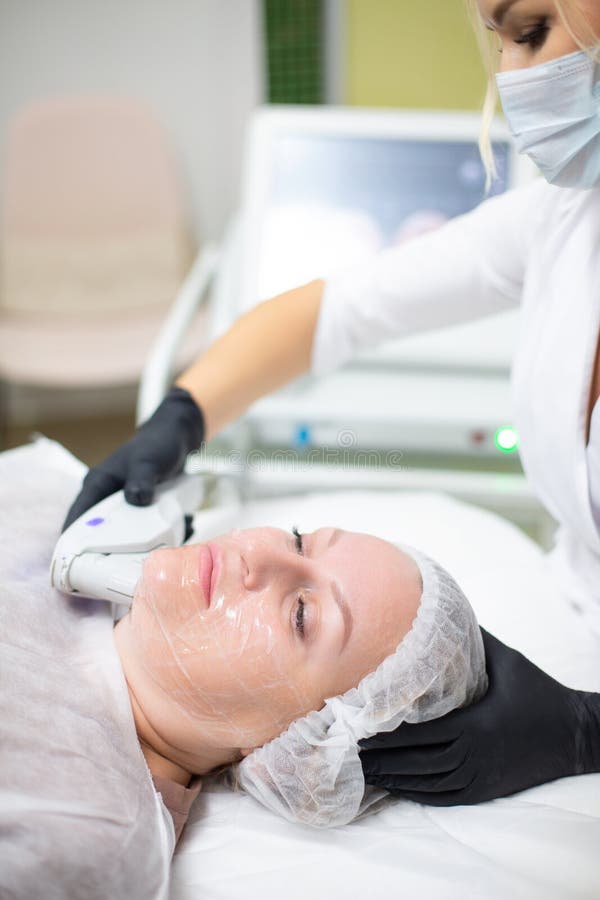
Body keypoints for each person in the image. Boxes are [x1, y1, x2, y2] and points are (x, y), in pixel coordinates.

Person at [64, 0, 600, 806]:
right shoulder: (569, 213)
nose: (514, 79)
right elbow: (338, 309)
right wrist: (183, 413)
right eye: (501, 43)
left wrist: (585, 728)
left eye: (531, 32)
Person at [112, 525, 487, 840]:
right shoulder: (97, 545)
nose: (255, 554)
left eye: (301, 615)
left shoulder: (100, 827)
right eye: (298, 541)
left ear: (295, 750)